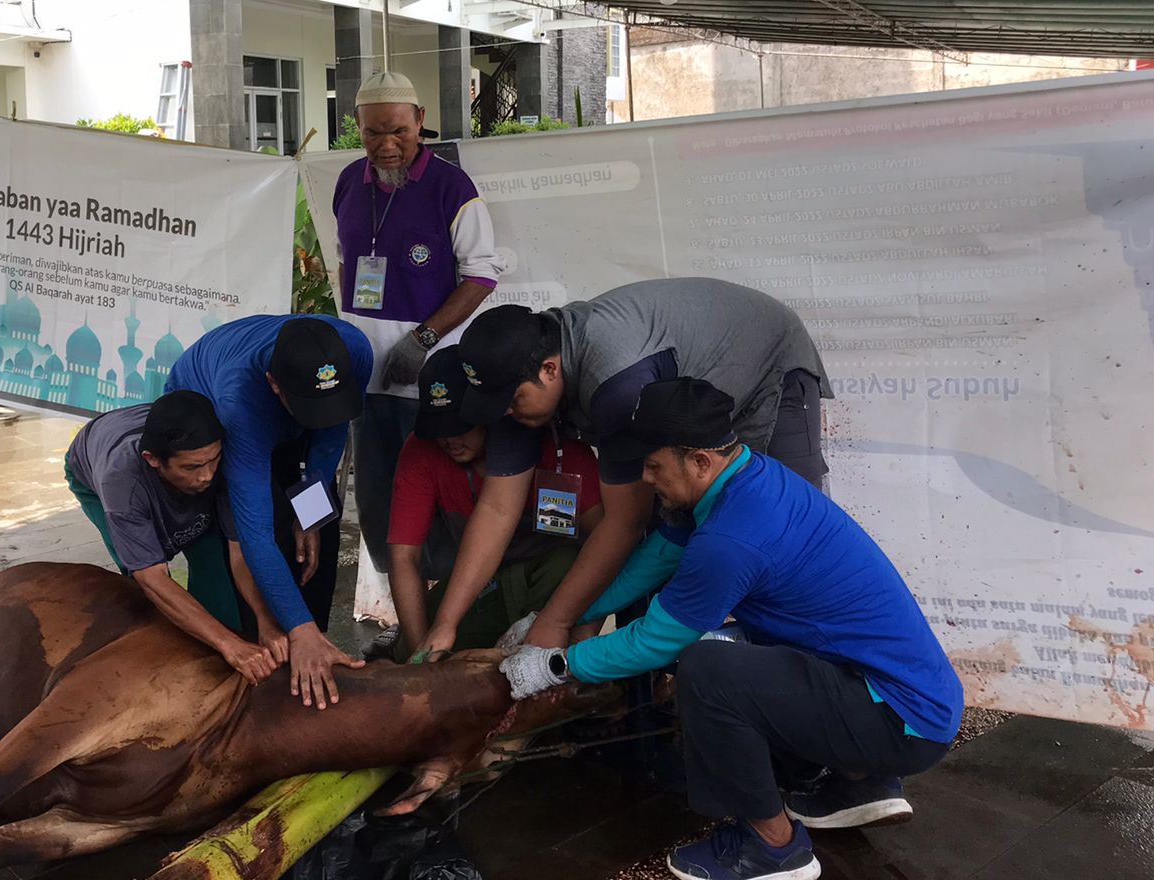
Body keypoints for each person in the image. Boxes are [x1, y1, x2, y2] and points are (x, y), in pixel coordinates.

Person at [500, 378, 961, 880]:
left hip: (899, 718)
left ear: (699, 460)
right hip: (896, 691)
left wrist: (554, 667)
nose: (645, 478)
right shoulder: (747, 478)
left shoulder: (731, 539)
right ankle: (856, 783)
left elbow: (657, 641)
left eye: (654, 466)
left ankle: (774, 848)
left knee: (708, 668)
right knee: (732, 648)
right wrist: (568, 617)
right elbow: (657, 556)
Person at [440, 278, 831, 656]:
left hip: (767, 360)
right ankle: (640, 684)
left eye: (510, 400)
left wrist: (557, 622)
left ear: (549, 370)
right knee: (666, 526)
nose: (504, 412)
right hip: (680, 377)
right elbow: (496, 509)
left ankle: (808, 664)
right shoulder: (516, 378)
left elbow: (624, 521)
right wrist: (444, 626)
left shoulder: (616, 382)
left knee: (782, 529)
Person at [331, 70, 501, 574]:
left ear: (421, 121)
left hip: (428, 374)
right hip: (367, 379)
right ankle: (402, 615)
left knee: (444, 499)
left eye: (399, 132)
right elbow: (346, 261)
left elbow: (481, 276)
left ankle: (451, 614)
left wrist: (423, 339)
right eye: (373, 133)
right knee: (380, 500)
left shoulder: (452, 187)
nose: (386, 146)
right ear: (357, 127)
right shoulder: (347, 182)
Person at [166, 314, 372, 709]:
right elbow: (254, 533)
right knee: (262, 533)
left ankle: (315, 642)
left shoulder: (354, 350)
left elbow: (330, 430)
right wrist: (296, 627)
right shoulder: (239, 402)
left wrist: (308, 513)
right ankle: (267, 651)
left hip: (293, 407)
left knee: (320, 530)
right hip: (208, 410)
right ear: (275, 385)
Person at [387, 347, 602, 658]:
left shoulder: (559, 453)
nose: (449, 440)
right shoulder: (421, 452)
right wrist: (419, 656)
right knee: (425, 644)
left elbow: (610, 547)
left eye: (460, 426)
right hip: (483, 586)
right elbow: (404, 557)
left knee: (566, 564)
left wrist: (583, 641)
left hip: (554, 589)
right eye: (438, 428)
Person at [64, 390, 285, 683]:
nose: (207, 475)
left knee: (213, 561)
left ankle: (222, 656)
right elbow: (152, 578)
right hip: (93, 465)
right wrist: (229, 646)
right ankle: (163, 661)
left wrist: (266, 622)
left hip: (163, 465)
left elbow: (238, 552)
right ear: (153, 459)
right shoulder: (121, 484)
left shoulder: (219, 462)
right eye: (193, 467)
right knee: (142, 586)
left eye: (213, 460)